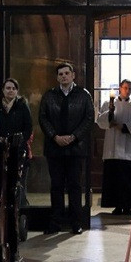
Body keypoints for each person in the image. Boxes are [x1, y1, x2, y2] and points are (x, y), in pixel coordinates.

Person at [38, 63, 94, 235]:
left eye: (66, 73)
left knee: (75, 186)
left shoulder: (83, 95)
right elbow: (43, 118)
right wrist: (55, 136)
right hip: (54, 148)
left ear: (73, 75)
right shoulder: (49, 95)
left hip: (75, 148)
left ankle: (76, 222)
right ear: (57, 77)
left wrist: (74, 136)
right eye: (60, 74)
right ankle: (56, 222)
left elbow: (89, 118)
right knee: (56, 186)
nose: (64, 76)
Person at [95, 79, 131, 215]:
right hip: (113, 147)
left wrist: (123, 126)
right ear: (120, 88)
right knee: (115, 178)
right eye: (125, 88)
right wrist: (110, 114)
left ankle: (128, 205)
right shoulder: (108, 104)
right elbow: (100, 121)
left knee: (129, 178)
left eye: (130, 88)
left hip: (129, 148)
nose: (127, 91)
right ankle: (117, 205)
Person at [0, 77, 34, 209]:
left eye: (14, 88)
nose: (11, 91)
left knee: (19, 183)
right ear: (3, 90)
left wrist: (19, 140)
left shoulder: (22, 106)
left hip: (19, 151)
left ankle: (20, 210)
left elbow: (28, 127)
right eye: (8, 88)